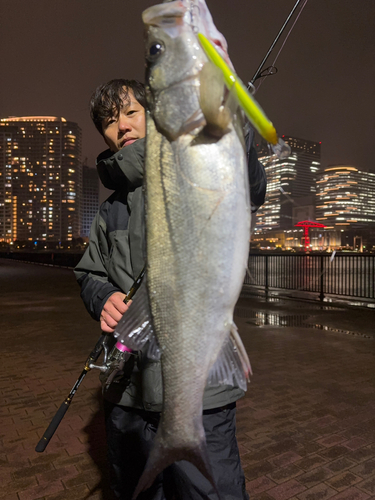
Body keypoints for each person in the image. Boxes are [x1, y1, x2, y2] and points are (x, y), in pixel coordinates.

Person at [74, 79, 266, 500]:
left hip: (201, 392)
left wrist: (235, 125)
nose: (120, 125)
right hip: (126, 392)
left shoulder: (194, 169)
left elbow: (249, 188)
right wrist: (101, 296)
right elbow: (89, 272)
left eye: (130, 111)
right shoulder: (110, 209)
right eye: (108, 120)